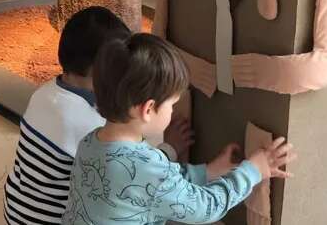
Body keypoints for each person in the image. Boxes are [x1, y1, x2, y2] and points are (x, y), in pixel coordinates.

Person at [62, 33, 297, 225]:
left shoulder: (90, 144)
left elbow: (157, 184)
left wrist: (209, 171)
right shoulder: (145, 167)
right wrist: (253, 170)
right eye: (172, 105)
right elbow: (205, 208)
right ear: (148, 109)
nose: (173, 110)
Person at [3, 7, 192, 224]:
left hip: (16, 212)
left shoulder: (44, 93)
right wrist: (170, 150)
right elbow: (134, 172)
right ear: (100, 70)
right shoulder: (88, 125)